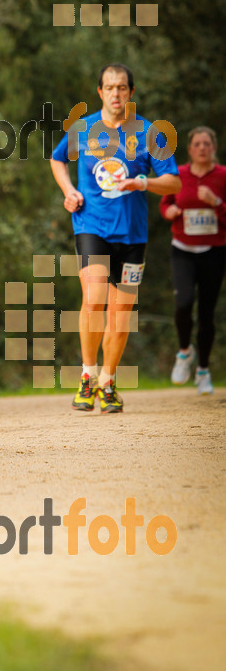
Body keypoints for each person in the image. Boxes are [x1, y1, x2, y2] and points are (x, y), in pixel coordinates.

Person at [50, 63, 180, 413]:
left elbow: (175, 181)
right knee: (93, 299)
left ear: (131, 93)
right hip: (91, 225)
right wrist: (69, 191)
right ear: (100, 92)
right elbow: (57, 159)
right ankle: (87, 376)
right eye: (110, 88)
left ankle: (108, 382)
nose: (116, 94)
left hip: (133, 233)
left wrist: (144, 183)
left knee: (121, 313)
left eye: (122, 88)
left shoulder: (151, 133)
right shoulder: (84, 128)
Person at [160, 126, 226, 395]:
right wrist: (170, 211)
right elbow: (165, 203)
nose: (201, 148)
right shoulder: (179, 174)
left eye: (206, 144)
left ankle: (203, 371)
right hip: (183, 248)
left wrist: (217, 202)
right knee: (183, 302)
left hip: (214, 250)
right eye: (197, 144)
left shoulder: (222, 176)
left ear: (213, 148)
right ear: (189, 150)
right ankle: (184, 352)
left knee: (207, 313)